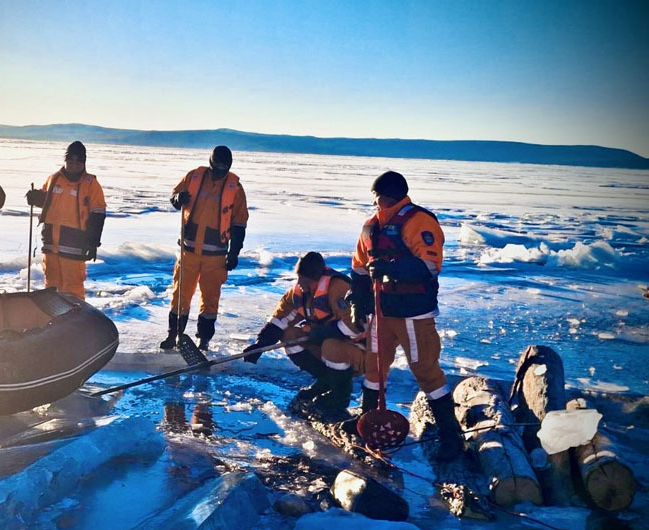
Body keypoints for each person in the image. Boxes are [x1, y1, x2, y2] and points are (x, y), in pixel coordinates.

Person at [349, 171, 463, 460]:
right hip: (382, 310)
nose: (377, 201)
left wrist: (392, 269)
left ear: (393, 195)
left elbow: (429, 264)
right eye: (376, 197)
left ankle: (451, 436)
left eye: (380, 196)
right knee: (374, 367)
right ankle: (368, 423)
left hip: (413, 311)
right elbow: (360, 268)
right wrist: (359, 300)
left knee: (425, 369)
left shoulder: (419, 221)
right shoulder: (370, 227)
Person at [242, 252, 365, 419]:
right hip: (327, 346)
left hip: (361, 352)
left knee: (331, 346)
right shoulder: (298, 293)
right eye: (300, 278)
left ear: (318, 277)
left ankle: (339, 396)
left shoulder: (338, 288)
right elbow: (280, 320)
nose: (301, 284)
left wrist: (323, 334)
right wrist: (261, 344)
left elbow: (355, 325)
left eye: (306, 280)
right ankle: (326, 381)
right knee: (290, 335)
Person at [160, 145, 248, 351]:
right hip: (189, 251)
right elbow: (174, 197)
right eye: (217, 164)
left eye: (224, 166)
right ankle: (174, 335)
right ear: (210, 162)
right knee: (180, 295)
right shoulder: (194, 176)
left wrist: (234, 253)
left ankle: (204, 339)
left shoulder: (235, 188)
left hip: (216, 255)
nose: (220, 169)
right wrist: (177, 199)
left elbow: (239, 224)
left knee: (210, 299)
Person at [25, 141, 106, 299]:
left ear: (84, 163)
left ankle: (75, 319)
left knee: (72, 287)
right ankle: (52, 319)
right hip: (50, 242)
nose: (74, 165)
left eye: (78, 162)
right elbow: (47, 201)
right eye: (70, 161)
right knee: (51, 285)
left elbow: (98, 214)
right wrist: (36, 198)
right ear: (65, 161)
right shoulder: (54, 179)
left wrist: (93, 242)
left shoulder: (91, 184)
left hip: (75, 245)